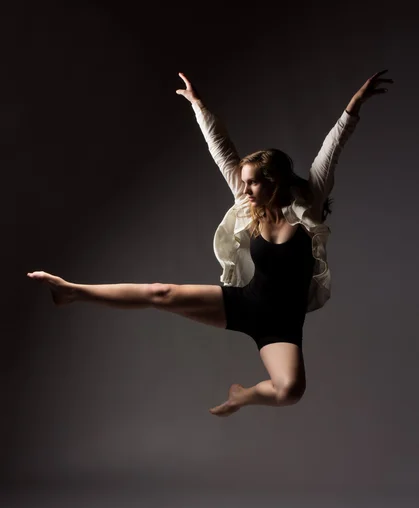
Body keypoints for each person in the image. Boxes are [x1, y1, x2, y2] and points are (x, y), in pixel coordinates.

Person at [27, 70, 393, 417]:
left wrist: (353, 107)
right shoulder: (247, 205)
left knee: (289, 391)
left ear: (273, 181)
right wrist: (199, 106)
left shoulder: (307, 200)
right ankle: (72, 291)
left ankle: (244, 395)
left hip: (281, 323)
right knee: (160, 292)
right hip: (246, 302)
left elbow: (332, 149)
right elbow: (221, 149)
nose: (244, 189)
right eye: (244, 183)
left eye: (252, 182)